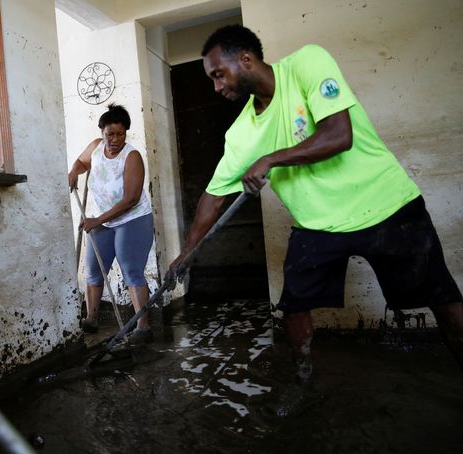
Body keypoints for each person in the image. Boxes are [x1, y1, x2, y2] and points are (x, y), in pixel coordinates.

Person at [169, 25, 462, 397]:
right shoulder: (241, 134)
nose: (216, 86)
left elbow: (340, 135)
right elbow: (212, 197)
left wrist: (271, 159)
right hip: (318, 226)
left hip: (388, 206)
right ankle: (303, 382)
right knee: (294, 305)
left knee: (446, 303)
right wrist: (189, 251)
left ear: (246, 59)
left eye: (218, 74)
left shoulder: (307, 63)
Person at [68, 104, 155, 344]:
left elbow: (131, 199)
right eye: (110, 134)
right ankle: (92, 318)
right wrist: (74, 172)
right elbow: (81, 162)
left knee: (131, 270)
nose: (115, 140)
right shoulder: (96, 148)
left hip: (132, 219)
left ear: (126, 133)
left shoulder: (132, 156)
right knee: (94, 270)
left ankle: (143, 327)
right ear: (102, 133)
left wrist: (97, 220)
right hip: (100, 219)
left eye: (120, 134)